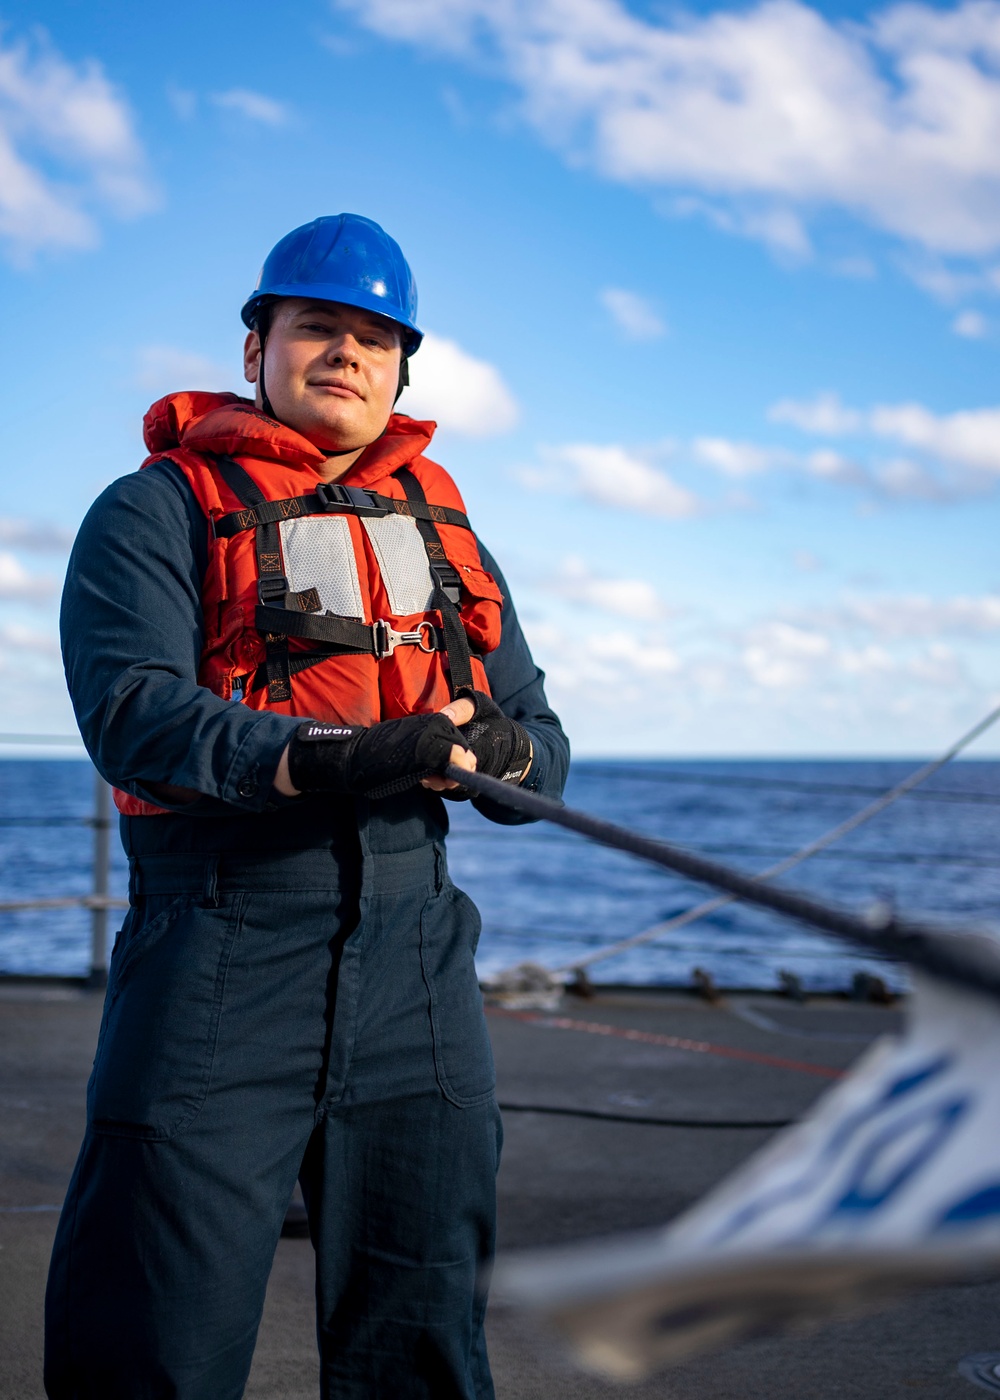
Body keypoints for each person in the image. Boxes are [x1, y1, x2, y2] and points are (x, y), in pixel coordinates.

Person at [45, 213, 570, 1400]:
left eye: (374, 339)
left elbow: (547, 752)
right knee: (152, 1335)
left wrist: (501, 748)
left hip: (419, 961)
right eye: (317, 326)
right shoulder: (152, 511)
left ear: (399, 371)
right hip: (221, 947)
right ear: (256, 350)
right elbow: (134, 712)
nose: (346, 352)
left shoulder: (446, 534)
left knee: (424, 1331)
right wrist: (341, 753)